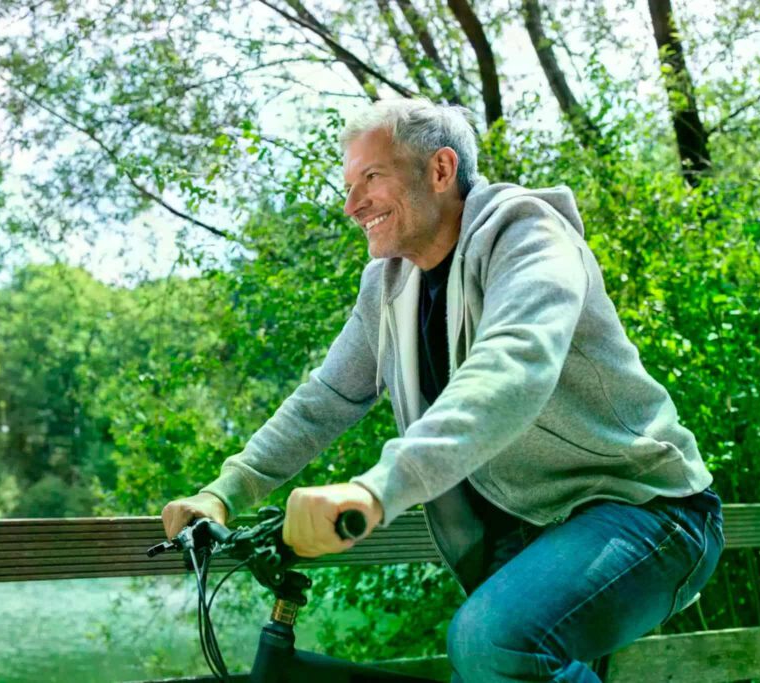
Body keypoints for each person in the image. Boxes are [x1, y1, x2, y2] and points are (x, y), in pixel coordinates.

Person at [160, 98, 724, 682]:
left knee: (490, 641)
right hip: (528, 539)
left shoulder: (527, 234)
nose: (353, 205)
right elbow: (326, 397)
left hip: (648, 509)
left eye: (371, 178)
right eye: (348, 185)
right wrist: (225, 490)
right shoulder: (389, 283)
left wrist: (373, 492)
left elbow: (513, 367)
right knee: (483, 657)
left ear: (440, 170)